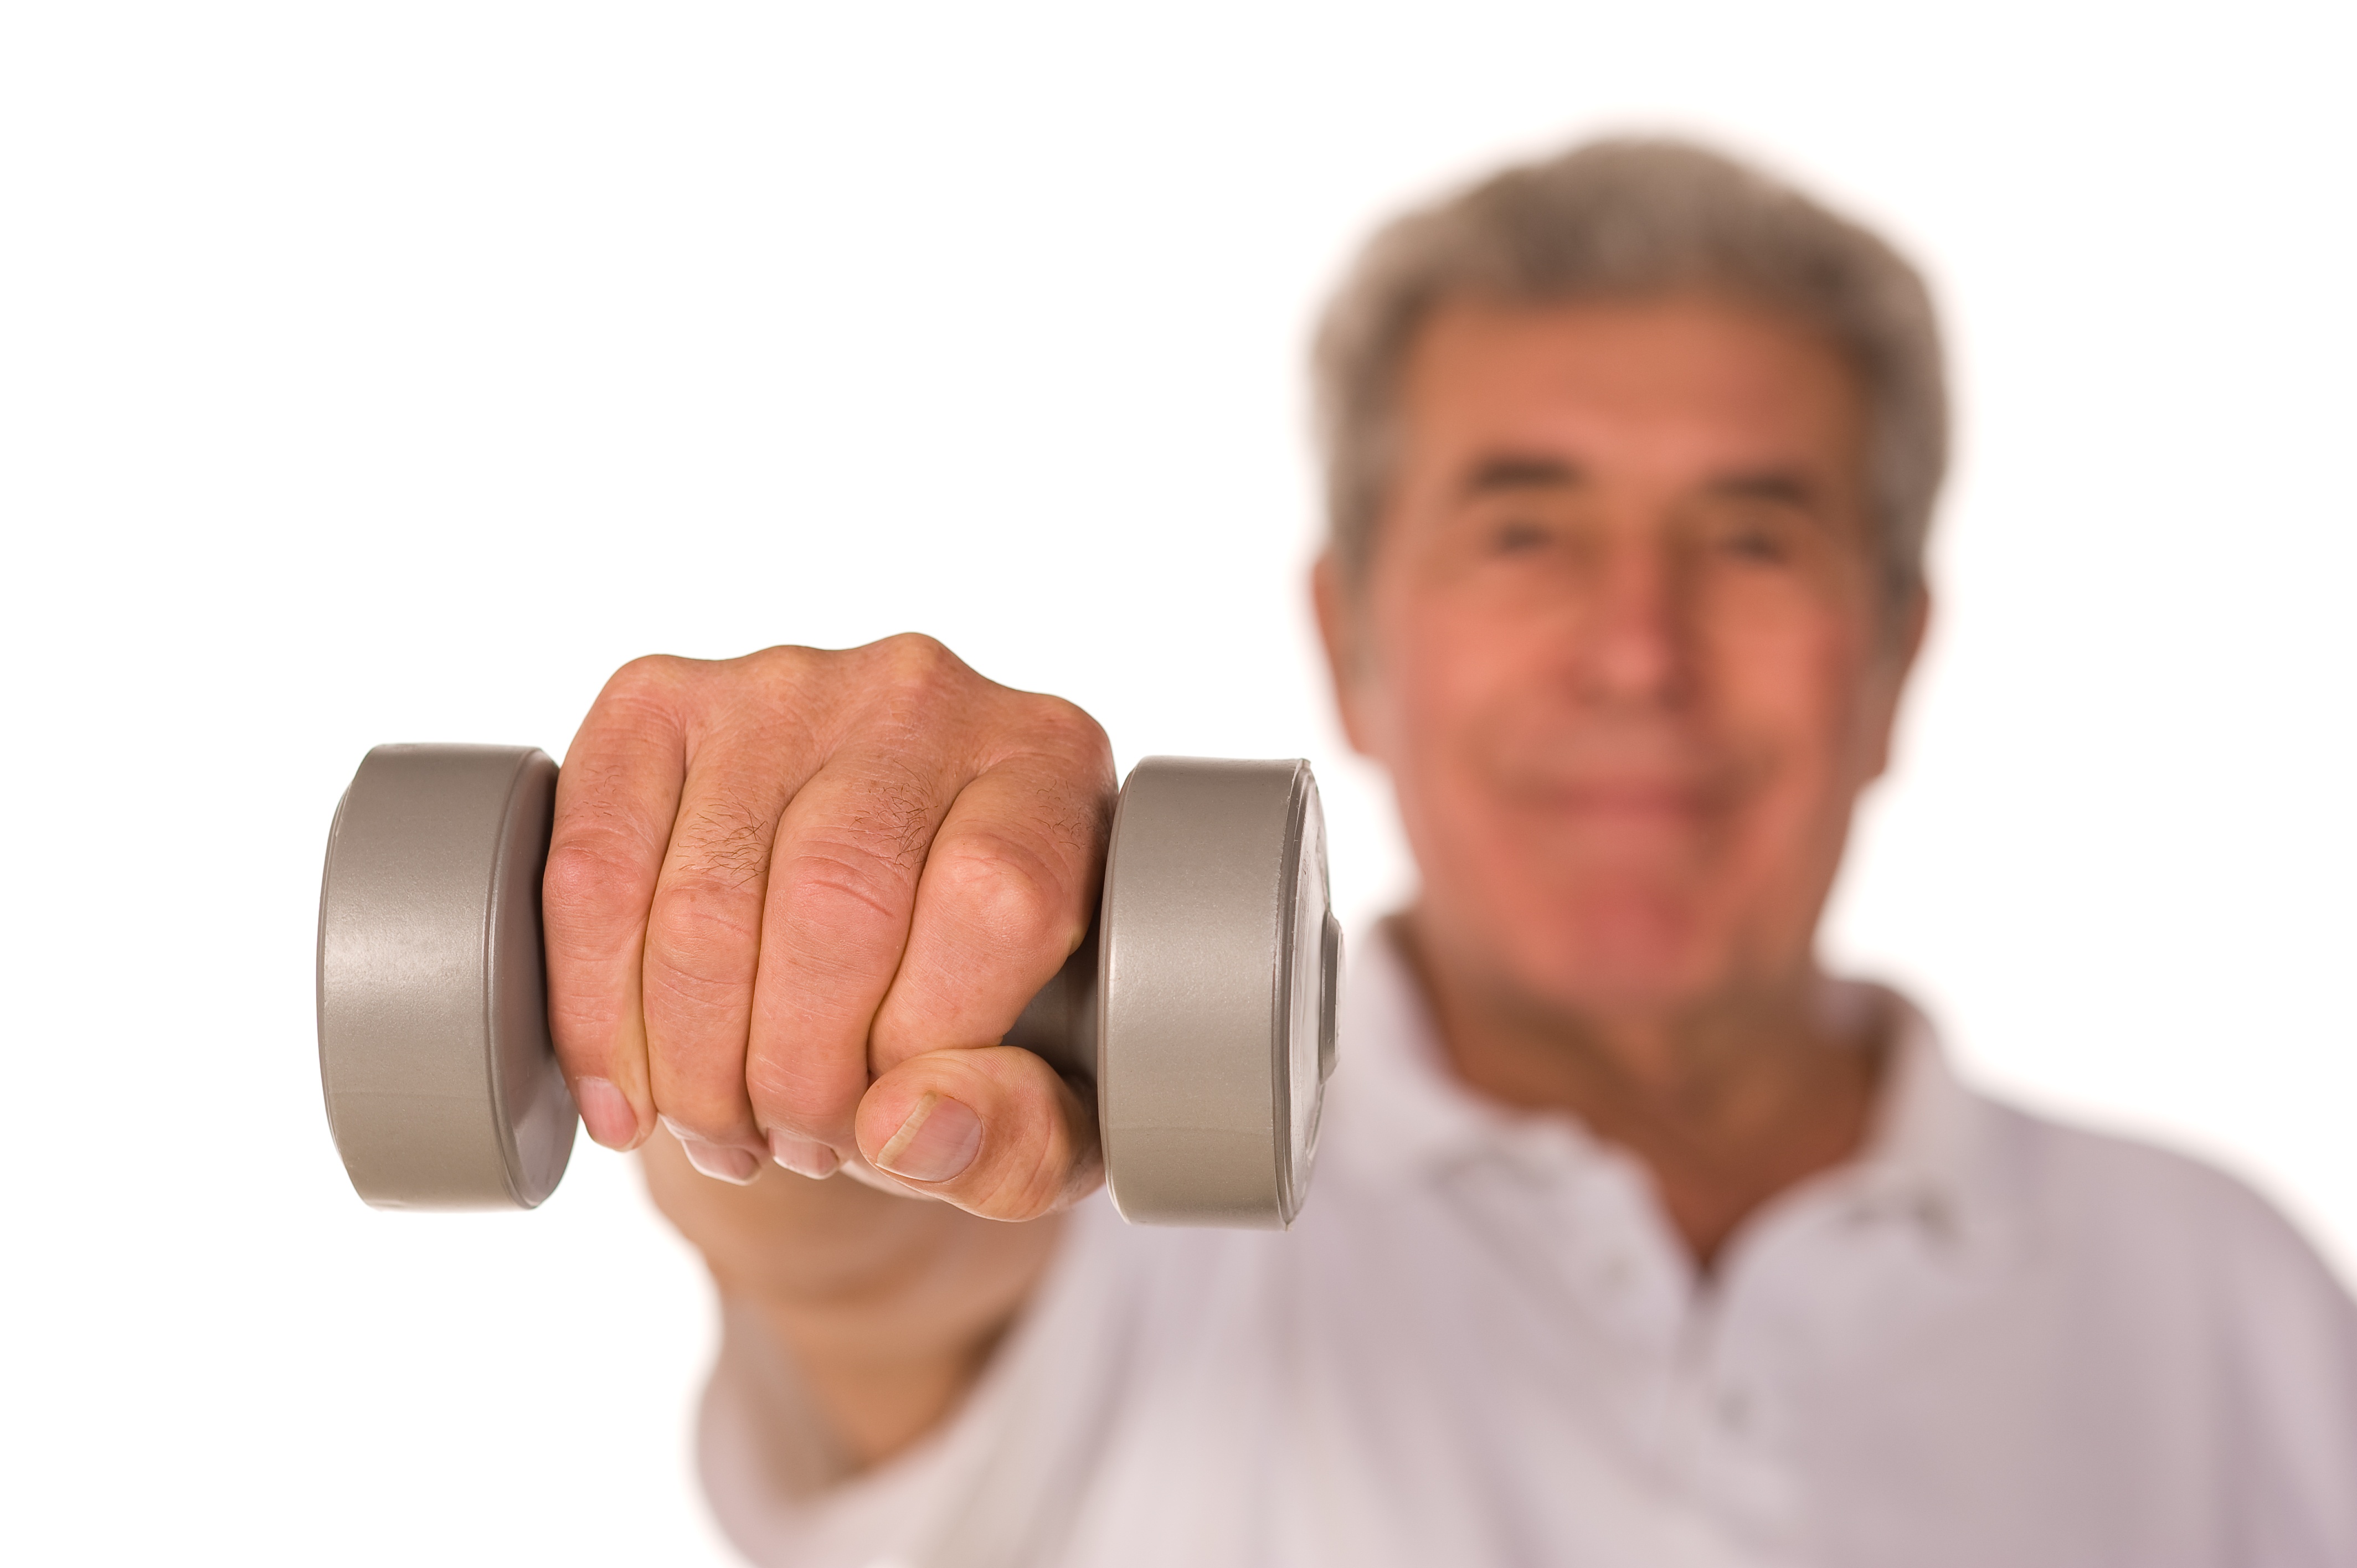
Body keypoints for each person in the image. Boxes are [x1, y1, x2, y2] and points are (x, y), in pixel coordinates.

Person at [540, 139, 2357, 1566]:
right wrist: (816, 985)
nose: (1637, 651)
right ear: (1350, 645)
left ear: (1892, 661)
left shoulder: (2223, 1294)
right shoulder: (1132, 1206)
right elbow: (868, 1255)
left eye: (1752, 541)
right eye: (1524, 534)